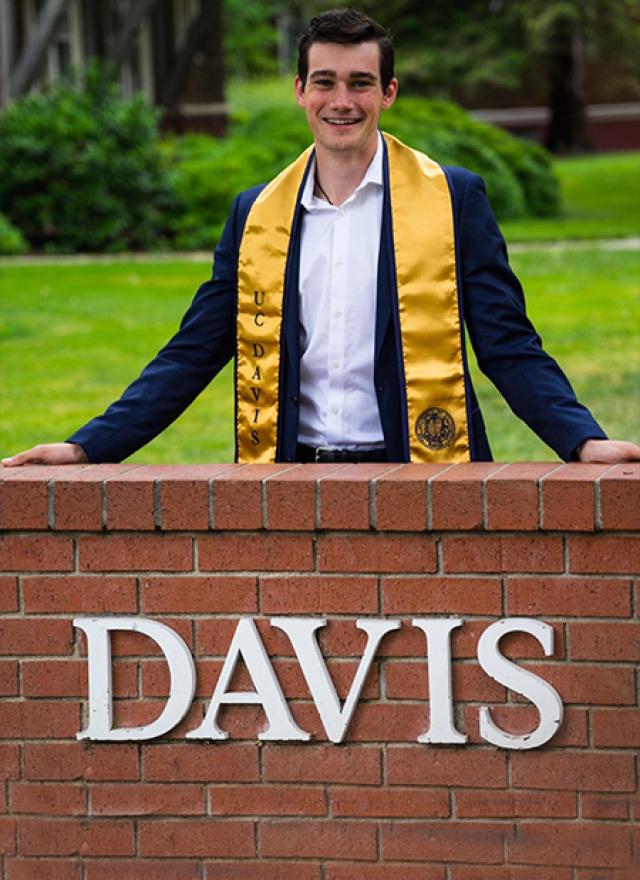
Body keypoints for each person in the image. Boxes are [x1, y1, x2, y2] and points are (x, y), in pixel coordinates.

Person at [3, 8, 639, 468]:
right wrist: (88, 445)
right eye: (326, 82)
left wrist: (582, 440)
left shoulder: (452, 198)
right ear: (301, 92)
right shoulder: (256, 215)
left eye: (360, 82)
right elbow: (193, 351)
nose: (343, 100)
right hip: (290, 472)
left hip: (422, 466)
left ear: (387, 93)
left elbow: (507, 345)